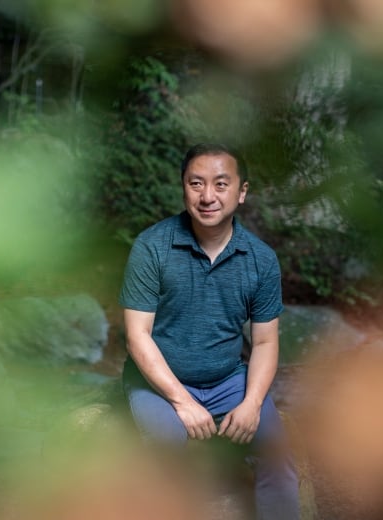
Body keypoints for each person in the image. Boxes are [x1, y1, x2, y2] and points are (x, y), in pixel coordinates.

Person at [119, 143, 300, 520]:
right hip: (160, 383)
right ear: (183, 187)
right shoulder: (153, 247)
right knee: (170, 454)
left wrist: (251, 404)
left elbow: (265, 340)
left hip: (227, 380)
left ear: (242, 191)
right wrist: (182, 402)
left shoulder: (260, 259)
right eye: (196, 183)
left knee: (277, 457)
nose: (207, 196)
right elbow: (138, 335)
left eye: (220, 184)